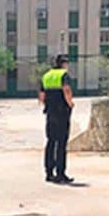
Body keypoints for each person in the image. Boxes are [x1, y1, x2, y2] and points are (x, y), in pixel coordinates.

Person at [40, 55, 75, 184]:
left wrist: (48, 106)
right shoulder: (64, 75)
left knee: (50, 141)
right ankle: (60, 173)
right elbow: (66, 90)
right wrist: (70, 103)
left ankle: (49, 172)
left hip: (50, 113)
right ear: (63, 64)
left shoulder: (46, 76)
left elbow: (42, 95)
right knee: (61, 143)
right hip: (62, 112)